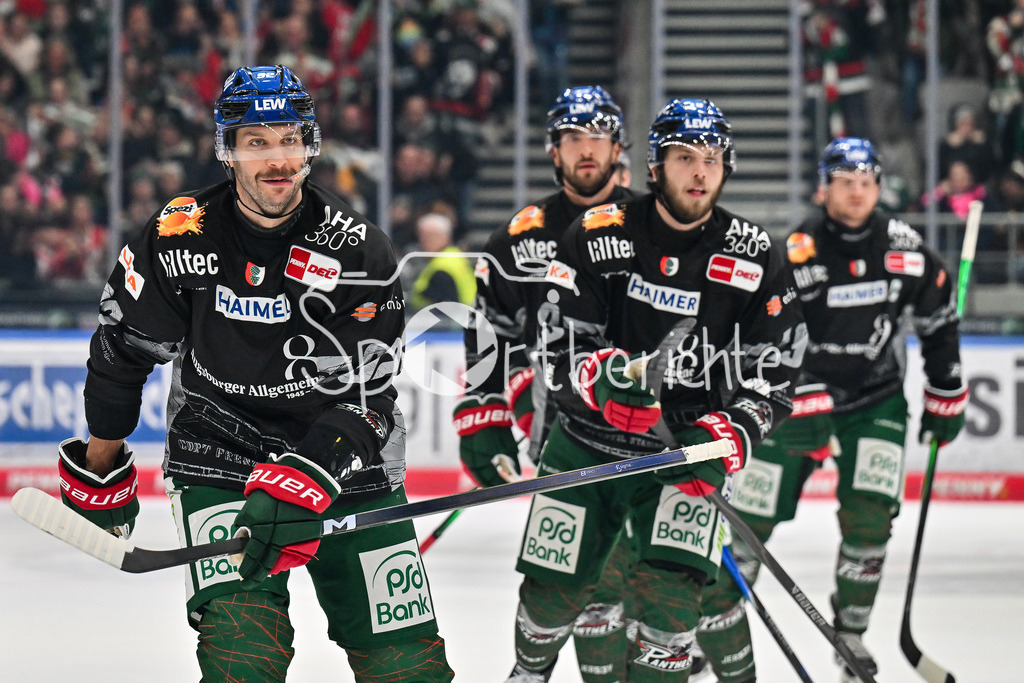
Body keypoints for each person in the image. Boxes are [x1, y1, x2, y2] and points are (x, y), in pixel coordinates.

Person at [54, 65, 454, 682]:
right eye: (256, 141)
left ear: (310, 145)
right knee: (243, 660)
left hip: (345, 458)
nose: (276, 159)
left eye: (289, 138)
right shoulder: (178, 235)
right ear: (228, 151)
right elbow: (122, 350)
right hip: (221, 447)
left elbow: (370, 397)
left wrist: (306, 477)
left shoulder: (359, 251)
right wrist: (103, 460)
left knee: (407, 667)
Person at [502, 98, 803, 682]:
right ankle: (528, 672)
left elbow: (778, 369)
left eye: (712, 159)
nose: (699, 171)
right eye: (684, 157)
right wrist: (605, 383)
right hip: (586, 444)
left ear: (727, 167)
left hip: (686, 451)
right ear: (655, 167)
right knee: (549, 595)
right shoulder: (594, 233)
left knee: (670, 611)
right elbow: (559, 348)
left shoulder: (754, 252)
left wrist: (730, 433)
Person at [697, 137, 968, 682]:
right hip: (794, 406)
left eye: (866, 183)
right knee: (749, 520)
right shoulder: (797, 253)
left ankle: (852, 634)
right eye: (845, 183)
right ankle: (714, 623)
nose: (857, 193)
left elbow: (939, 319)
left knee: (871, 515)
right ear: (824, 188)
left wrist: (946, 390)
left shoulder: (904, 245)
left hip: (875, 400)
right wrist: (779, 394)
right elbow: (761, 334)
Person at [453, 85, 636, 681]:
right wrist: (483, 417)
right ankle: (532, 671)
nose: (587, 150)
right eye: (573, 139)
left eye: (598, 138)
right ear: (553, 151)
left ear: (619, 148)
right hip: (561, 431)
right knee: (561, 578)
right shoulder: (517, 239)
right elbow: (490, 334)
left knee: (617, 583)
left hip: (647, 433)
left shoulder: (655, 227)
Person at [408, 209, 476, 311]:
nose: (423, 242)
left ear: (446, 237)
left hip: (450, 324)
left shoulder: (442, 267)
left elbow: (444, 308)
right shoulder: (455, 256)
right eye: (421, 237)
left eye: (430, 236)